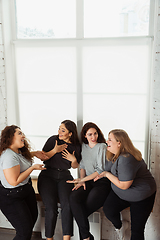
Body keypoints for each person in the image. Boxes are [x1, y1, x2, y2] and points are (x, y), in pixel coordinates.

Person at [95, 129, 157, 240]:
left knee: (136, 232)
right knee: (109, 210)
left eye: (110, 139)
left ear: (119, 143)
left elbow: (124, 185)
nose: (106, 141)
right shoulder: (112, 154)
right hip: (121, 193)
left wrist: (106, 175)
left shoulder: (126, 158)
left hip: (140, 196)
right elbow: (104, 170)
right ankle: (120, 226)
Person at [0, 125, 48, 240]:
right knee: (24, 232)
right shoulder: (8, 156)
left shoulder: (17, 151)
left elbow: (19, 159)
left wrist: (34, 153)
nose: (23, 136)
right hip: (12, 196)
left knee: (30, 222)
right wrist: (32, 168)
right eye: (19, 133)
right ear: (11, 137)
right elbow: (13, 181)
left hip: (26, 190)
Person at [67, 122, 112, 240]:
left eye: (95, 134)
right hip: (88, 181)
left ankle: (85, 237)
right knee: (73, 198)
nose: (93, 137)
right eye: (90, 134)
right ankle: (87, 237)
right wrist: (81, 181)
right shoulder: (84, 147)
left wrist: (82, 179)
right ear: (85, 136)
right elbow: (82, 166)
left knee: (80, 211)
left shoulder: (101, 146)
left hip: (101, 182)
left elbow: (100, 170)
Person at [37, 120, 81, 240]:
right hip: (48, 175)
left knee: (67, 205)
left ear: (70, 133)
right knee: (51, 208)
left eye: (63, 130)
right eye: (59, 129)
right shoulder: (53, 140)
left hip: (64, 176)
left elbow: (75, 166)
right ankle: (49, 238)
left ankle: (66, 238)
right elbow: (43, 157)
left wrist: (73, 160)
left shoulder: (77, 146)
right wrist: (55, 150)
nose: (59, 132)